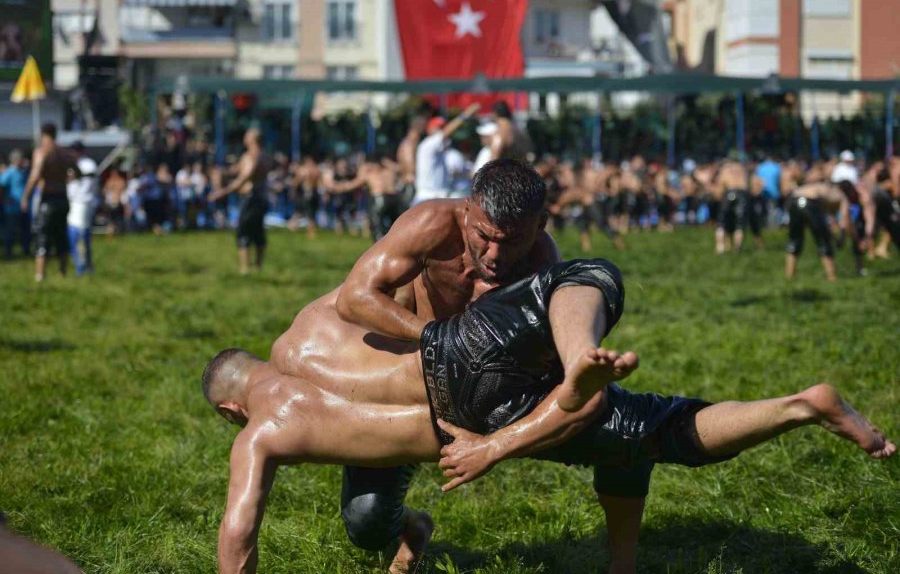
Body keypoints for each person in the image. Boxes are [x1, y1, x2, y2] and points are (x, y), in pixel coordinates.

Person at [205, 259, 894, 574]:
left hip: (469, 404)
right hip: (464, 376)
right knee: (631, 425)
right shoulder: (313, 326)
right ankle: (794, 404)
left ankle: (579, 378)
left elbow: (237, 538)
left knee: (626, 421)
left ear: (234, 408)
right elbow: (374, 297)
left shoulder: (264, 426)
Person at [334, 158, 561, 563]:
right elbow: (354, 298)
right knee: (366, 522)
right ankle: (411, 526)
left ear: (540, 224)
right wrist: (434, 336)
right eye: (484, 236)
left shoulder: (544, 263)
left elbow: (559, 360)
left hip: (490, 395)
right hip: (413, 382)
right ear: (467, 208)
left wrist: (500, 441)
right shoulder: (431, 225)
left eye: (511, 241)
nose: (494, 255)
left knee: (619, 431)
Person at [208, 129, 273, 275]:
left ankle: (245, 269)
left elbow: (242, 180)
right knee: (258, 231)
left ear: (252, 139)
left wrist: (221, 192)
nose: (244, 137)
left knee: (243, 231)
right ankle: (257, 266)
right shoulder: (262, 156)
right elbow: (237, 170)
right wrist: (222, 171)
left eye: (247, 135)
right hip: (261, 198)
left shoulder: (253, 157)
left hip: (251, 198)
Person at [20, 123, 77, 282]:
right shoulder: (65, 153)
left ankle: (40, 275)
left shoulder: (42, 152)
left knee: (42, 236)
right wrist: (64, 178)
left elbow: (35, 175)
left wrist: (26, 196)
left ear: (43, 134)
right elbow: (76, 172)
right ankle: (63, 272)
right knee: (61, 235)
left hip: (48, 199)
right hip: (63, 198)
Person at [785, 169, 855, 281]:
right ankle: (831, 277)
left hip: (795, 200)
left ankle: (789, 276)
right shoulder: (842, 197)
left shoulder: (825, 187)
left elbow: (827, 217)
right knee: (823, 241)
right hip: (810, 202)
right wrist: (841, 237)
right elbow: (843, 220)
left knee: (795, 240)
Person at [412, 104, 480, 205]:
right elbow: (446, 132)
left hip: (438, 198)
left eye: (442, 127)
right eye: (438, 128)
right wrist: (465, 115)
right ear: (430, 130)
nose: (442, 130)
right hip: (427, 199)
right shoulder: (428, 145)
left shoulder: (443, 151)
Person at [66, 142, 99, 275]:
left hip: (83, 202)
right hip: (72, 202)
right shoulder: (70, 164)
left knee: (79, 235)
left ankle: (82, 266)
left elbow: (90, 177)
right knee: (73, 234)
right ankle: (83, 264)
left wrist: (75, 176)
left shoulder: (88, 164)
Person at [714, 161, 750, 253]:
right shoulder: (742, 170)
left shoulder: (725, 170)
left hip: (729, 193)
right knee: (739, 225)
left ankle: (720, 247)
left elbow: (720, 189)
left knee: (721, 223)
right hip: (742, 195)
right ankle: (737, 249)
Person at [1, 148, 30, 258]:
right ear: (15, 160)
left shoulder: (23, 172)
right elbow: (2, 185)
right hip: (12, 207)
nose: (23, 161)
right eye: (21, 159)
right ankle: (8, 252)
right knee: (11, 230)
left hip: (23, 206)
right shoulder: (10, 172)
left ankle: (26, 250)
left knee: (25, 230)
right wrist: (4, 199)